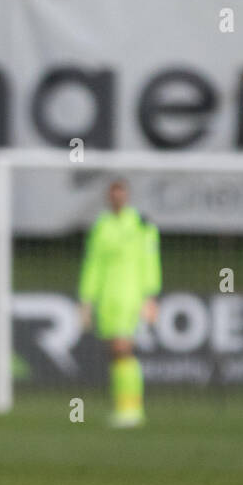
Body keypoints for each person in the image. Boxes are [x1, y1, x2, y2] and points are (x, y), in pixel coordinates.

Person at [78, 178, 161, 427]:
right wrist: (86, 300)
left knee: (124, 348)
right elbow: (93, 264)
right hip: (106, 297)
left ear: (127, 196)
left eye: (121, 193)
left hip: (130, 295)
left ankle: (132, 408)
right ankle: (123, 405)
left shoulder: (140, 224)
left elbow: (150, 261)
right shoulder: (101, 226)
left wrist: (150, 297)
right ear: (108, 197)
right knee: (114, 352)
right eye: (113, 194)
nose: (117, 198)